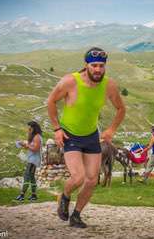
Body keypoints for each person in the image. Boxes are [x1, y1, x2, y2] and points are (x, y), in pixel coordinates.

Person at [47, 47, 126, 228]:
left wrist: (111, 130)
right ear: (86, 65)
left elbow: (121, 109)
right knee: (78, 178)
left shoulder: (109, 85)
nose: (98, 69)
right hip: (70, 135)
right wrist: (57, 129)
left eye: (101, 66)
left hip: (91, 136)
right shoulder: (70, 81)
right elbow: (51, 101)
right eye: (94, 65)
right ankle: (65, 197)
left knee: (91, 180)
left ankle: (76, 216)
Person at [15, 121, 43, 201]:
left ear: (34, 128)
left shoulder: (37, 137)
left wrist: (26, 145)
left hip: (33, 160)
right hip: (32, 159)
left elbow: (36, 149)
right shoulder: (34, 136)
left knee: (26, 176)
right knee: (31, 177)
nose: (28, 129)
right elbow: (32, 147)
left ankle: (22, 195)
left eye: (30, 128)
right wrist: (24, 144)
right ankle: (34, 195)